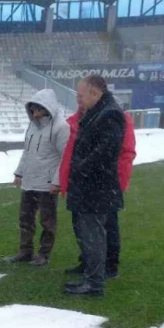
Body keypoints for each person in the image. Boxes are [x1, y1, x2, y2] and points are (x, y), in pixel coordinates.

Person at [59, 90, 137, 279]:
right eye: (77, 97)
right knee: (80, 225)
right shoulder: (78, 120)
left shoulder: (114, 117)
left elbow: (125, 152)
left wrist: (118, 179)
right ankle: (88, 260)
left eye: (82, 96)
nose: (79, 100)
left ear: (94, 95)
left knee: (106, 225)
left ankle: (109, 264)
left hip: (103, 182)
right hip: (80, 181)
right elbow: (70, 153)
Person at [10, 89, 69, 267]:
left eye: (37, 108)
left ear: (47, 107)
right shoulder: (32, 126)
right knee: (25, 218)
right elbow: (27, 151)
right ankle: (25, 251)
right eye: (32, 108)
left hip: (47, 183)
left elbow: (65, 156)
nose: (34, 112)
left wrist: (57, 181)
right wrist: (19, 172)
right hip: (30, 180)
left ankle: (44, 254)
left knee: (47, 220)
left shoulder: (61, 127)